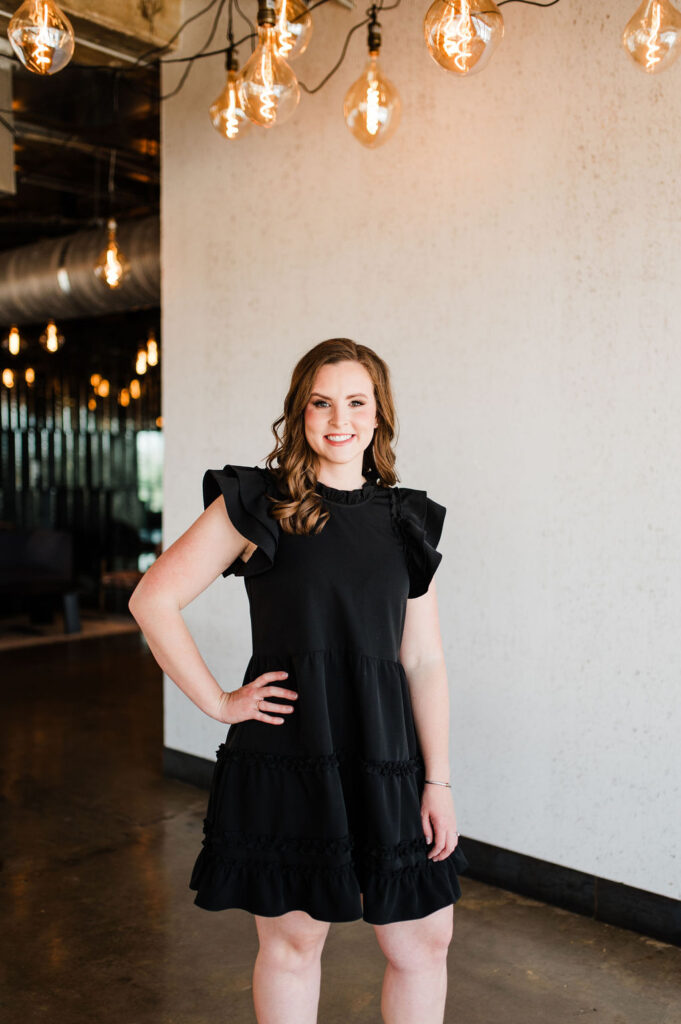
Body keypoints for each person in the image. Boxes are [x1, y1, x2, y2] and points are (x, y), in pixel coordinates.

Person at [128, 337, 469, 1024]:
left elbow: (423, 661)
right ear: (299, 412)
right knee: (292, 944)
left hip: (387, 755)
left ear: (378, 415)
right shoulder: (259, 502)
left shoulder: (406, 520)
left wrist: (437, 781)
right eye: (321, 402)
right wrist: (218, 701)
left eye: (356, 402)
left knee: (424, 942)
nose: (339, 419)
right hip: (291, 752)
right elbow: (152, 599)